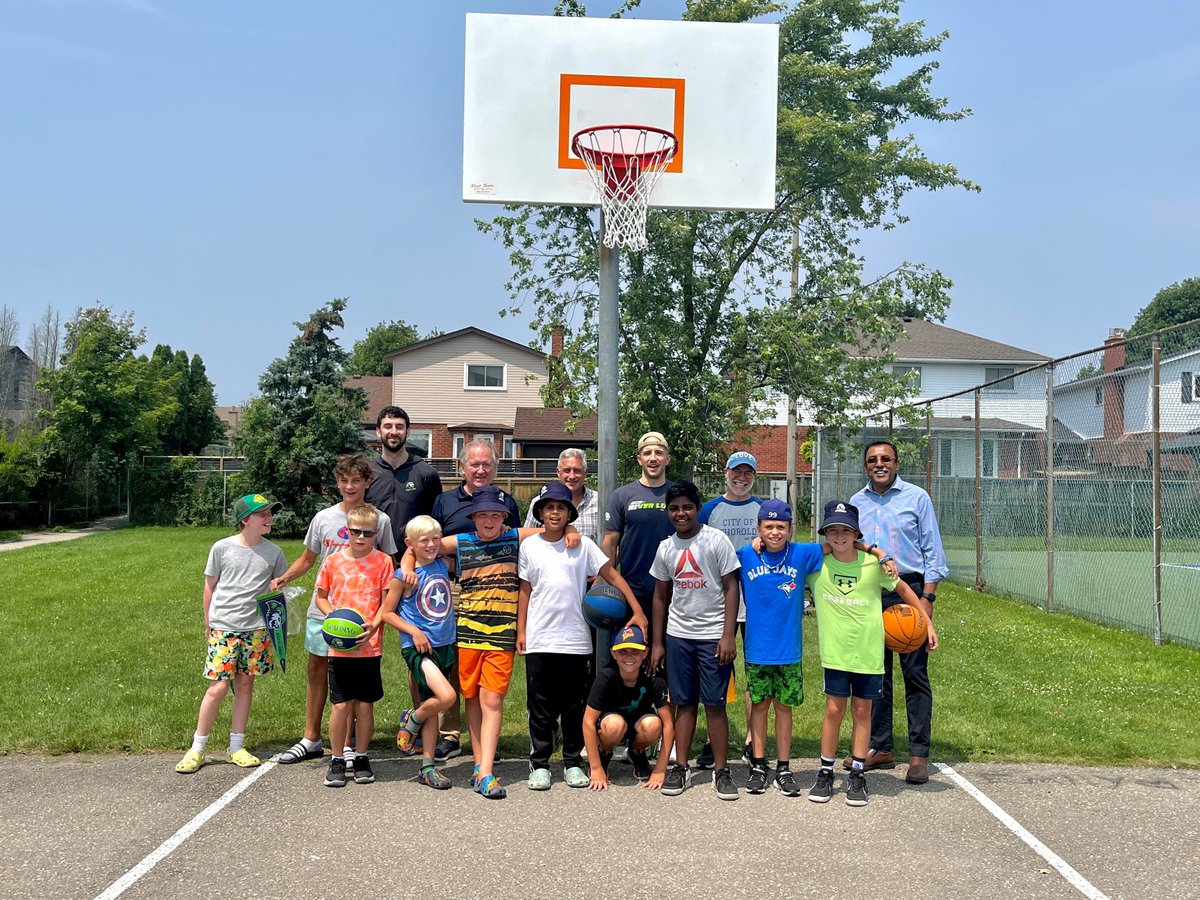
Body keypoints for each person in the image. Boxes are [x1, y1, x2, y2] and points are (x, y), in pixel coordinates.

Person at [399, 485, 576, 799]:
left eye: (496, 514)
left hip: (501, 637)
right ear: (473, 517)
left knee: (491, 701)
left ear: (505, 517)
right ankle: (479, 766)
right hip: (466, 636)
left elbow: (551, 525)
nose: (490, 520)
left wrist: (571, 528)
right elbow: (417, 547)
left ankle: (486, 772)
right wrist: (407, 568)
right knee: (470, 700)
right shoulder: (462, 542)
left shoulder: (514, 537)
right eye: (483, 514)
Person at [738, 499, 893, 796]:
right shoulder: (746, 554)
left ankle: (783, 768)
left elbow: (841, 546)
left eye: (780, 527)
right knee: (758, 707)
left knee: (784, 708)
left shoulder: (801, 553)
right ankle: (758, 764)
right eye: (768, 527)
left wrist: (876, 551)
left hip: (789, 650)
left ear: (790, 529)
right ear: (758, 528)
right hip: (757, 648)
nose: (774, 532)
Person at [806, 500, 937, 807]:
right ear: (825, 534)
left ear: (857, 535)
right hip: (836, 654)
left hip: (868, 654)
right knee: (834, 711)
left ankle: (857, 773)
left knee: (862, 712)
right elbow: (788, 552)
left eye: (846, 531)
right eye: (833, 531)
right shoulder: (816, 566)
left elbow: (904, 589)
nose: (839, 536)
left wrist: (926, 621)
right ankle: (825, 772)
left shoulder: (874, 567)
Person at [270, 453, 398, 767]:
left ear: (368, 482)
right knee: (317, 672)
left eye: (356, 480)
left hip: (363, 617)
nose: (350, 486)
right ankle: (311, 738)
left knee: (354, 681)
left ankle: (350, 744)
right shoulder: (323, 519)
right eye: (344, 480)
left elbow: (390, 565)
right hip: (324, 612)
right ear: (337, 483)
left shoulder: (379, 520)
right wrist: (284, 578)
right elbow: (308, 559)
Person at [517, 482, 646, 791]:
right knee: (540, 705)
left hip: (575, 639)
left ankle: (573, 761)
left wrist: (637, 610)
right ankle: (540, 763)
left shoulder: (583, 545)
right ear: (540, 512)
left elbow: (611, 575)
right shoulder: (529, 547)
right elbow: (524, 590)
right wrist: (521, 630)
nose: (555, 512)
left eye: (561, 508)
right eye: (549, 508)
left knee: (574, 706)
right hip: (540, 637)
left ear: (569, 513)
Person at [850, 439, 949, 785]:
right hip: (869, 592)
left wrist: (927, 601)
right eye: (873, 459)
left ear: (897, 463)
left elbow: (932, 552)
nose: (879, 464)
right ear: (866, 466)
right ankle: (881, 746)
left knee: (915, 673)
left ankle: (918, 753)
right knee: (874, 674)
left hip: (908, 591)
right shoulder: (857, 502)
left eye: (885, 459)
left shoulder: (916, 498)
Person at [175, 493, 287, 775]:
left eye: (270, 513)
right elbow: (210, 587)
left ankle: (236, 746)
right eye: (263, 514)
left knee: (246, 683)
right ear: (245, 519)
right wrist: (208, 622)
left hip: (255, 629)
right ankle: (197, 748)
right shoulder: (222, 548)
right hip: (224, 627)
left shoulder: (274, 552)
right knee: (218, 687)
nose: (269, 517)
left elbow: (277, 591)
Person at [428, 439, 521, 761]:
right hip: (452, 587)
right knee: (455, 664)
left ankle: (485, 739)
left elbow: (518, 543)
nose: (480, 470)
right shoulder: (444, 501)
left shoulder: (506, 500)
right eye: (474, 464)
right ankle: (450, 734)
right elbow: (430, 543)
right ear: (462, 467)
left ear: (495, 468)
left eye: (487, 465)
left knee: (488, 666)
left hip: (495, 594)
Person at [649, 481, 741, 800]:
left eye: (687, 506)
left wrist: (728, 634)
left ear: (698, 508)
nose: (681, 513)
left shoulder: (715, 540)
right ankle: (681, 766)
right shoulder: (666, 548)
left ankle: (721, 770)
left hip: (713, 636)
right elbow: (660, 597)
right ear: (667, 512)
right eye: (674, 508)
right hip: (679, 636)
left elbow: (732, 587)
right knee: (683, 703)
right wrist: (658, 643)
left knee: (715, 705)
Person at [314, 503, 398, 788]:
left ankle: (361, 756)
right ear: (346, 531)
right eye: (355, 532)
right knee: (340, 706)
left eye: (368, 533)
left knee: (364, 706)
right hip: (340, 647)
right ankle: (337, 758)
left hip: (369, 646)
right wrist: (333, 617)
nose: (361, 538)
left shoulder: (384, 562)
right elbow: (321, 597)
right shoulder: (333, 562)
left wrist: (374, 624)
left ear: (376, 533)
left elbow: (388, 601)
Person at [698, 450, 763, 765]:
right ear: (725, 473)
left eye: (747, 472)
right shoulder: (710, 509)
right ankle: (714, 739)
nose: (741, 478)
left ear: (754, 476)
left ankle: (753, 739)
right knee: (718, 670)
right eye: (736, 472)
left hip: (755, 599)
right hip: (717, 599)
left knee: (755, 670)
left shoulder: (764, 509)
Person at [385, 515, 458, 791]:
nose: (431, 544)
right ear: (410, 544)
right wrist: (413, 632)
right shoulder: (403, 576)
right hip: (417, 649)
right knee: (447, 697)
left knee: (432, 702)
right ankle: (412, 719)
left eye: (435, 539)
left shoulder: (443, 564)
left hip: (444, 644)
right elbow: (387, 613)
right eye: (423, 540)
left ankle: (427, 767)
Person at [601, 431, 674, 669]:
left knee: (664, 663)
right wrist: (603, 578)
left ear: (667, 459)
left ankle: (662, 707)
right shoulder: (622, 496)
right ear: (639, 459)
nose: (653, 458)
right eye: (647, 453)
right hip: (633, 592)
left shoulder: (678, 495)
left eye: (658, 453)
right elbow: (611, 542)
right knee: (630, 660)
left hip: (673, 594)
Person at [582, 625, 674, 791]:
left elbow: (668, 724)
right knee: (614, 725)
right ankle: (604, 753)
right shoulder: (606, 676)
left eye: (635, 651)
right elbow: (588, 721)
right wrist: (595, 767)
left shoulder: (654, 678)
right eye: (623, 651)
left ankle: (636, 751)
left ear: (645, 652)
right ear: (613, 653)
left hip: (639, 723)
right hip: (611, 724)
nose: (629, 657)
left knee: (654, 725)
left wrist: (660, 770)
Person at [366, 405, 443, 554]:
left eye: (399, 427)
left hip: (416, 560)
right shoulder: (366, 473)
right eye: (388, 426)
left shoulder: (426, 473)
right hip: (373, 560)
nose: (394, 432)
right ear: (378, 431)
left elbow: (436, 521)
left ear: (407, 432)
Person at [524, 448, 600, 544]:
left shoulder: (599, 502)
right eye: (567, 470)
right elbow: (526, 537)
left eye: (577, 470)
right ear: (558, 472)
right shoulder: (539, 501)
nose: (572, 476)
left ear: (585, 473)